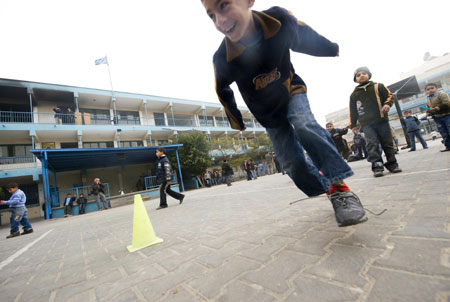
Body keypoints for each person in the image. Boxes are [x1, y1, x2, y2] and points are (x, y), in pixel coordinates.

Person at [201, 0, 367, 227]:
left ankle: (341, 190)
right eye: (211, 15)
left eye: (224, 5)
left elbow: (302, 35)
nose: (220, 21)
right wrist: (236, 121)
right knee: (291, 163)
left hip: (291, 90)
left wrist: (329, 48)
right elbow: (222, 89)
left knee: (304, 124)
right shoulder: (223, 57)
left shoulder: (277, 20)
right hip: (267, 112)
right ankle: (326, 186)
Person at [349, 66, 402, 177]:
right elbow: (352, 111)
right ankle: (377, 166)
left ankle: (392, 164)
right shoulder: (354, 94)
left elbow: (390, 96)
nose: (361, 76)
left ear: (369, 75)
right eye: (358, 75)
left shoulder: (379, 86)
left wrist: (387, 104)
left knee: (387, 143)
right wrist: (353, 125)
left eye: (364, 73)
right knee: (372, 144)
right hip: (367, 124)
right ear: (355, 79)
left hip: (381, 120)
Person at [425, 83, 450, 152]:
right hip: (437, 118)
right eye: (428, 89)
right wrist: (428, 113)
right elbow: (428, 108)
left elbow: (447, 103)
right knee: (443, 132)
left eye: (432, 88)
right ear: (426, 91)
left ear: (436, 88)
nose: (430, 90)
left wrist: (436, 108)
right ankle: (448, 146)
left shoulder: (441, 94)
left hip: (447, 115)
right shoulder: (427, 99)